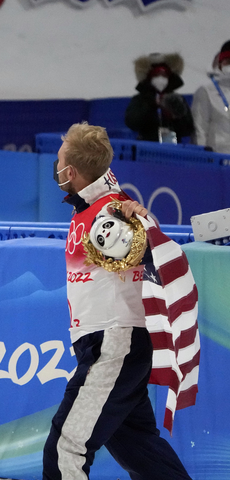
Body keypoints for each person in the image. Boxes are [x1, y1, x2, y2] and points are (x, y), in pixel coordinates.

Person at [43, 123, 196, 480]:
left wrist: (140, 224)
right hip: (113, 342)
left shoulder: (112, 215)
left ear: (72, 172)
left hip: (114, 343)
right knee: (137, 446)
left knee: (65, 448)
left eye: (60, 157)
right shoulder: (93, 203)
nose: (56, 162)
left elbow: (146, 248)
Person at [124, 52, 193, 143]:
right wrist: (152, 104)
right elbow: (132, 123)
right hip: (147, 149)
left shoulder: (177, 99)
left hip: (172, 150)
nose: (161, 79)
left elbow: (188, 129)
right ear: (149, 78)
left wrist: (176, 115)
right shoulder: (140, 99)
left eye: (164, 75)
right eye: (156, 75)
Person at [192, 39, 230, 152]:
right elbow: (200, 129)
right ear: (220, 63)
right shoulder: (206, 91)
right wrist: (203, 158)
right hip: (218, 157)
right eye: (228, 61)